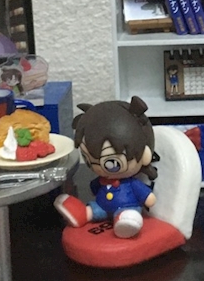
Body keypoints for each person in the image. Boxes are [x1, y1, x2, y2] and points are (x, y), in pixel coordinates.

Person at [53, 97, 158, 239]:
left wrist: (148, 198)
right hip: (101, 206)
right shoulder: (102, 180)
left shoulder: (132, 184)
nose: (98, 168)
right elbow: (93, 188)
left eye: (111, 163)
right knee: (92, 210)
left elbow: (149, 199)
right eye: (89, 161)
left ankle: (127, 221)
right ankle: (82, 213)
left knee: (128, 215)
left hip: (126, 207)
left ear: (145, 155)